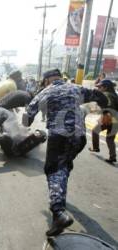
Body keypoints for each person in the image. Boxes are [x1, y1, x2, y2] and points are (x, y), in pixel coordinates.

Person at [22, 69, 108, 237]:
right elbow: (100, 97)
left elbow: (28, 116)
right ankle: (60, 197)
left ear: (47, 80)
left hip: (59, 137)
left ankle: (58, 213)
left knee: (53, 170)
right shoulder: (76, 88)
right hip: (79, 137)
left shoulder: (45, 91)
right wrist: (105, 109)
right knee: (63, 166)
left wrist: (27, 123)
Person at [89, 79, 118, 163]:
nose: (99, 89)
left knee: (95, 131)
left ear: (105, 87)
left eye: (100, 87)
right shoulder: (115, 95)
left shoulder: (106, 95)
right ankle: (112, 157)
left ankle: (96, 148)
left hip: (109, 119)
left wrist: (104, 116)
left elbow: (109, 106)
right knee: (110, 139)